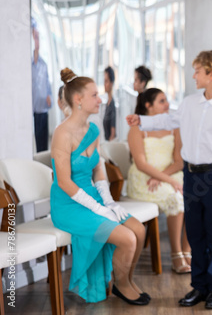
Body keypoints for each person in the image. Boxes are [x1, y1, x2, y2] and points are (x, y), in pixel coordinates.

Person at [127, 50, 212, 310]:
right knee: (194, 231)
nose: (194, 75)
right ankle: (199, 286)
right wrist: (142, 121)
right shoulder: (190, 103)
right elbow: (169, 119)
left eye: (198, 71)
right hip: (190, 175)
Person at [50, 68, 150, 305]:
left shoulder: (93, 129)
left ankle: (126, 279)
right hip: (69, 203)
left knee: (138, 229)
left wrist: (108, 202)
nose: (100, 99)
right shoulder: (61, 134)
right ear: (78, 100)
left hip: (94, 197)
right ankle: (122, 285)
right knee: (127, 238)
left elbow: (98, 168)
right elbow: (64, 182)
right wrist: (97, 209)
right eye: (94, 95)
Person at [127, 87, 191, 274]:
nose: (167, 105)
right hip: (144, 178)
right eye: (162, 101)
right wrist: (162, 179)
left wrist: (164, 177)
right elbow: (140, 164)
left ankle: (188, 250)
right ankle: (176, 254)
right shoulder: (137, 128)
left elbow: (179, 161)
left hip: (169, 174)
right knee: (176, 198)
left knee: (193, 195)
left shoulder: (174, 126)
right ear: (148, 106)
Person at [32, 26, 52, 152]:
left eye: (39, 39)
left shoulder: (44, 64)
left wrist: (49, 96)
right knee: (39, 142)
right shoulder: (31, 65)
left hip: (44, 109)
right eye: (36, 39)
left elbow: (47, 83)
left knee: (45, 142)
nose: (38, 42)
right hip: (36, 110)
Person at [103, 66, 116, 141]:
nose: (104, 84)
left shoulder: (112, 105)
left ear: (111, 83)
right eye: (104, 81)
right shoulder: (107, 103)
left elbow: (112, 135)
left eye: (106, 81)